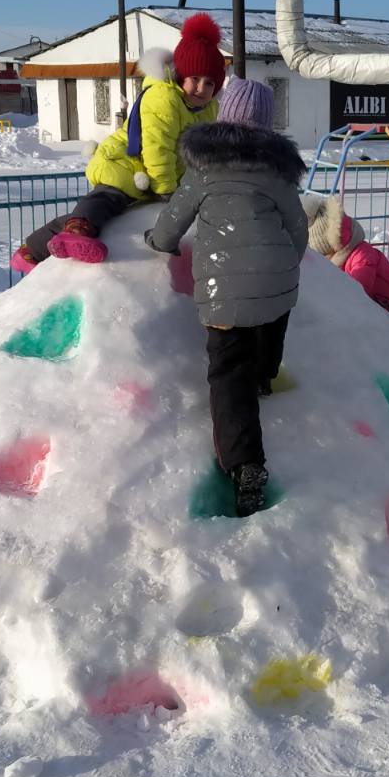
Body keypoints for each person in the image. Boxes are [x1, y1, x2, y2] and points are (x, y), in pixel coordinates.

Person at [145, 79, 308, 518]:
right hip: (276, 280)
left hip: (224, 292)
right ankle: (266, 376)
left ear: (221, 116)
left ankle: (245, 463)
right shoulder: (278, 172)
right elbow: (297, 227)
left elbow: (173, 220)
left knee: (227, 372)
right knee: (270, 324)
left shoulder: (203, 170)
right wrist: (285, 264)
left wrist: (158, 241)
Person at [11, 12, 225, 272]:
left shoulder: (207, 109)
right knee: (108, 197)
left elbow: (199, 153)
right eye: (195, 78)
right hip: (126, 160)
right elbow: (158, 148)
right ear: (180, 76)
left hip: (150, 175)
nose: (201, 88)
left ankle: (31, 250)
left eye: (210, 82)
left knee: (107, 217)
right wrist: (168, 190)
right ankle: (77, 234)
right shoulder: (164, 99)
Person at [300, 190, 389, 310]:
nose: (324, 258)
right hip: (376, 308)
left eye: (324, 254)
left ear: (335, 246)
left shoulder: (363, 256)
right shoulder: (341, 257)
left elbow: (358, 294)